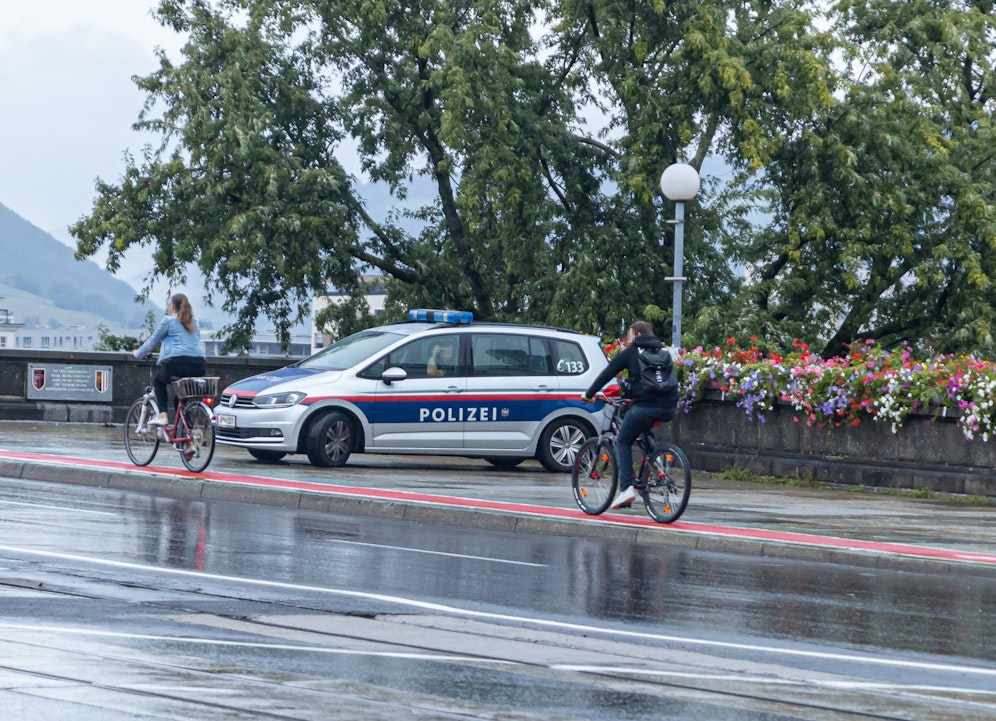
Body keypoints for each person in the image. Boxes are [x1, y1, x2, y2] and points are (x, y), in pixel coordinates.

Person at [582, 321, 678, 509]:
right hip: (668, 408)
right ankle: (660, 471)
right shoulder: (664, 354)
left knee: (623, 441)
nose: (628, 340)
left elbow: (607, 373)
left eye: (630, 336)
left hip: (644, 407)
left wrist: (589, 394)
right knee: (644, 434)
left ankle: (626, 489)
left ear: (638, 336)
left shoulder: (631, 353)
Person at [133, 293, 207, 428]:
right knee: (180, 400)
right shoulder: (194, 323)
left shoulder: (168, 321)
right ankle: (187, 440)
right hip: (198, 365)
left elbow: (152, 342)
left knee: (158, 382)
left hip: (177, 364)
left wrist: (138, 353)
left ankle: (162, 415)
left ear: (173, 306)